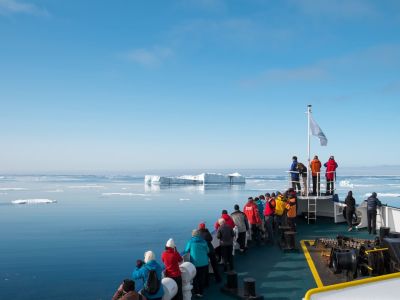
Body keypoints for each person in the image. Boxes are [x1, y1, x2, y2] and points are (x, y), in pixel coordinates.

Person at [183, 229, 209, 298]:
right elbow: (208, 250)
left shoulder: (190, 242)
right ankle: (201, 292)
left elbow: (186, 250)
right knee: (202, 277)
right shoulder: (203, 241)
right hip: (204, 263)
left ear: (192, 234)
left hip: (195, 263)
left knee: (195, 278)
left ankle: (197, 292)